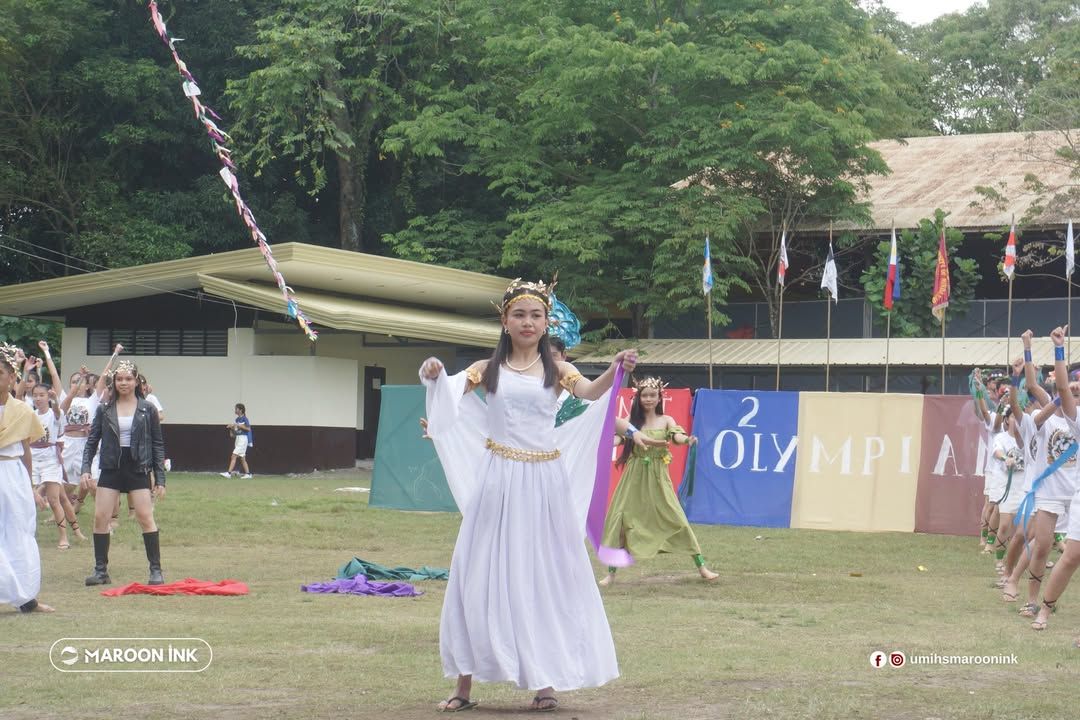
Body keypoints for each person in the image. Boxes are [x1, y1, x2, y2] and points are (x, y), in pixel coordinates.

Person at [420, 278, 637, 713]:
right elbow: (448, 392)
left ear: (545, 323)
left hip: (545, 483)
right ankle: (464, 687)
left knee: (546, 576)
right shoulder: (489, 368)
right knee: (478, 575)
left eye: (535, 315)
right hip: (498, 481)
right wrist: (435, 371)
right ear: (505, 320)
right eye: (519, 314)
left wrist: (616, 368)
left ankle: (545, 684)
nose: (527, 322)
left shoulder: (557, 370)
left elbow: (591, 392)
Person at [597, 377, 719, 586]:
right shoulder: (632, 421)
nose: (648, 399)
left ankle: (702, 567)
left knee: (677, 517)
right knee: (621, 518)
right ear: (638, 397)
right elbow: (619, 438)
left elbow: (676, 436)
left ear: (660, 396)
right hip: (633, 477)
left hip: (658, 476)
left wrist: (687, 440)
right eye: (644, 395)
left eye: (652, 395)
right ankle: (611, 574)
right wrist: (609, 439)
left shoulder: (666, 420)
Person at [80, 359, 167, 586]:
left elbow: (157, 444)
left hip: (138, 466)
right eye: (119, 379)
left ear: (136, 381)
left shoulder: (147, 409)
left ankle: (155, 571)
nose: (124, 383)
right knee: (100, 518)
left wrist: (160, 479)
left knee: (145, 517)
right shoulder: (104, 408)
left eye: (128, 379)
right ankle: (101, 571)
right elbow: (91, 442)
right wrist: (85, 469)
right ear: (114, 382)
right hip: (111, 466)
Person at [0, 343, 54, 614]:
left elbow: (25, 451)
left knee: (20, 532)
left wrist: (32, 486)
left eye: (0, 373)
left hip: (13, 475)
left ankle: (26, 599)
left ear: (12, 377)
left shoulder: (22, 411)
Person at [30, 383, 85, 549]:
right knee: (38, 499)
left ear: (48, 396)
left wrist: (54, 400)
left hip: (51, 461)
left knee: (55, 500)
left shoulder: (56, 413)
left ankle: (64, 537)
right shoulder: (31, 414)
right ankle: (76, 532)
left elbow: (57, 411)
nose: (38, 398)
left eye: (42, 395)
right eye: (35, 395)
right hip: (32, 460)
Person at [221, 404, 253, 478]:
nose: (235, 410)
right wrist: (231, 428)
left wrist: (238, 425)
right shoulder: (237, 419)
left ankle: (229, 473)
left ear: (241, 410)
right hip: (238, 438)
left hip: (243, 439)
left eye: (236, 409)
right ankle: (248, 474)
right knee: (242, 458)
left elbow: (248, 429)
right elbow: (234, 434)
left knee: (233, 456)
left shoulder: (245, 419)